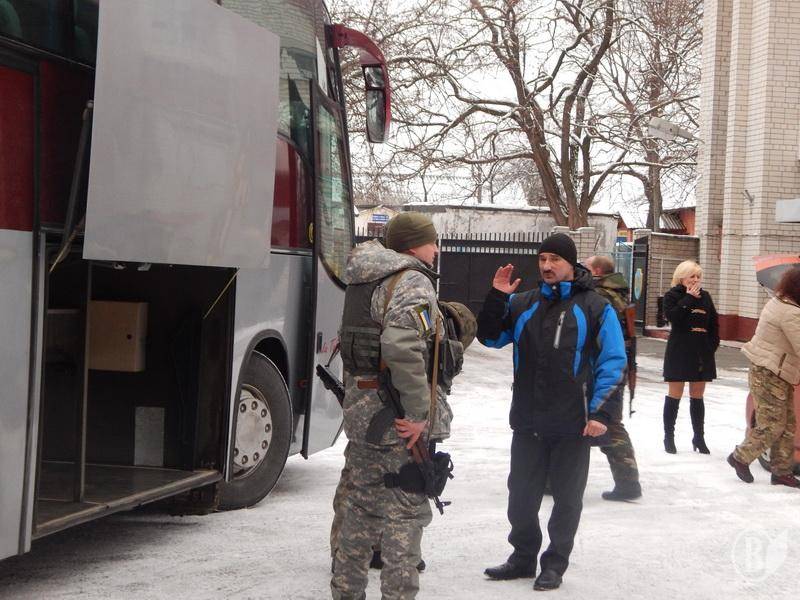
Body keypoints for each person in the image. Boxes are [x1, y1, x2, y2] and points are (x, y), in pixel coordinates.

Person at [477, 233, 626, 591]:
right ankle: (523, 557)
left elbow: (613, 362)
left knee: (567, 499)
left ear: (571, 264)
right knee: (520, 497)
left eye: (555, 259)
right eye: (542, 258)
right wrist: (497, 296)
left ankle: (555, 563)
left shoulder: (595, 307)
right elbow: (490, 337)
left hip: (573, 423)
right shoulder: (524, 303)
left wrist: (601, 415)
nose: (546, 265)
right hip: (528, 419)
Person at [330, 212, 465, 600]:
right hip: (397, 417)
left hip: (363, 412)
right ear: (413, 244)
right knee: (405, 513)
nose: (436, 249)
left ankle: (346, 593)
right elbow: (401, 346)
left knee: (359, 510)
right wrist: (419, 414)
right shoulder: (411, 281)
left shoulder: (366, 277)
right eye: (432, 241)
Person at [728, 266, 800, 487]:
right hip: (770, 373)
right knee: (773, 424)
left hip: (777, 372)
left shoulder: (780, 302)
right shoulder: (790, 312)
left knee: (788, 424)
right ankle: (740, 457)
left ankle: (781, 471)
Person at [585, 255, 642, 501]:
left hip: (604, 365)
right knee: (609, 421)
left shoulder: (601, 295)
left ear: (597, 271)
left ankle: (628, 482)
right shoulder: (618, 292)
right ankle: (628, 481)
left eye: (586, 267)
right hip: (616, 364)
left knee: (606, 421)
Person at [661, 260, 719, 454]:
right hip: (679, 350)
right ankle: (669, 437)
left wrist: (711, 346)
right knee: (674, 394)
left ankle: (699, 437)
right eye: (691, 276)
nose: (695, 280)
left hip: (701, 352)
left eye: (698, 276)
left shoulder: (706, 296)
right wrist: (687, 299)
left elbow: (714, 324)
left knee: (697, 396)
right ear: (681, 277)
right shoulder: (672, 295)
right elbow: (673, 317)